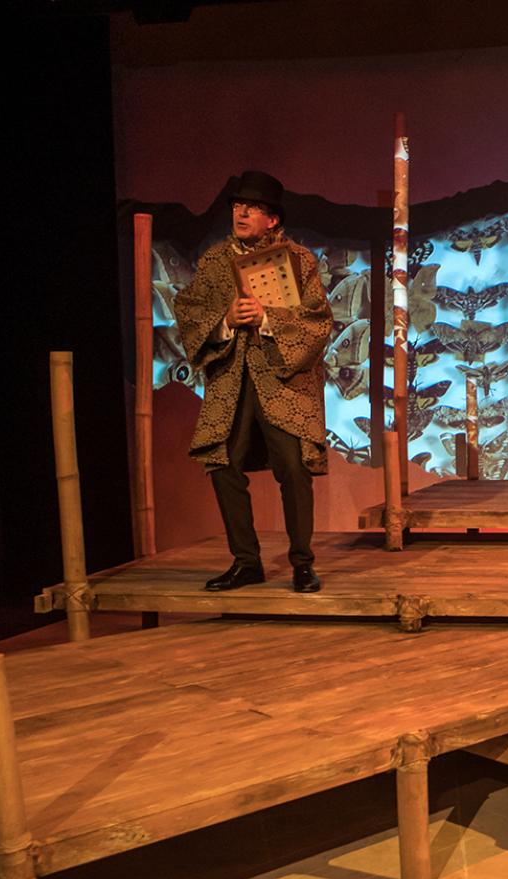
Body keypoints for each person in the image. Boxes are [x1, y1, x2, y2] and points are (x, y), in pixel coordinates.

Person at [174, 170, 334, 593]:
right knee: (223, 465)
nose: (242, 213)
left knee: (294, 468)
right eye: (237, 206)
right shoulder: (213, 262)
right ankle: (246, 561)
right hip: (232, 380)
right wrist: (225, 320)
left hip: (283, 383)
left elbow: (318, 322)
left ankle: (302, 562)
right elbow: (188, 310)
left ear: (273, 220)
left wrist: (267, 319)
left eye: (253, 208)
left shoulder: (298, 261)